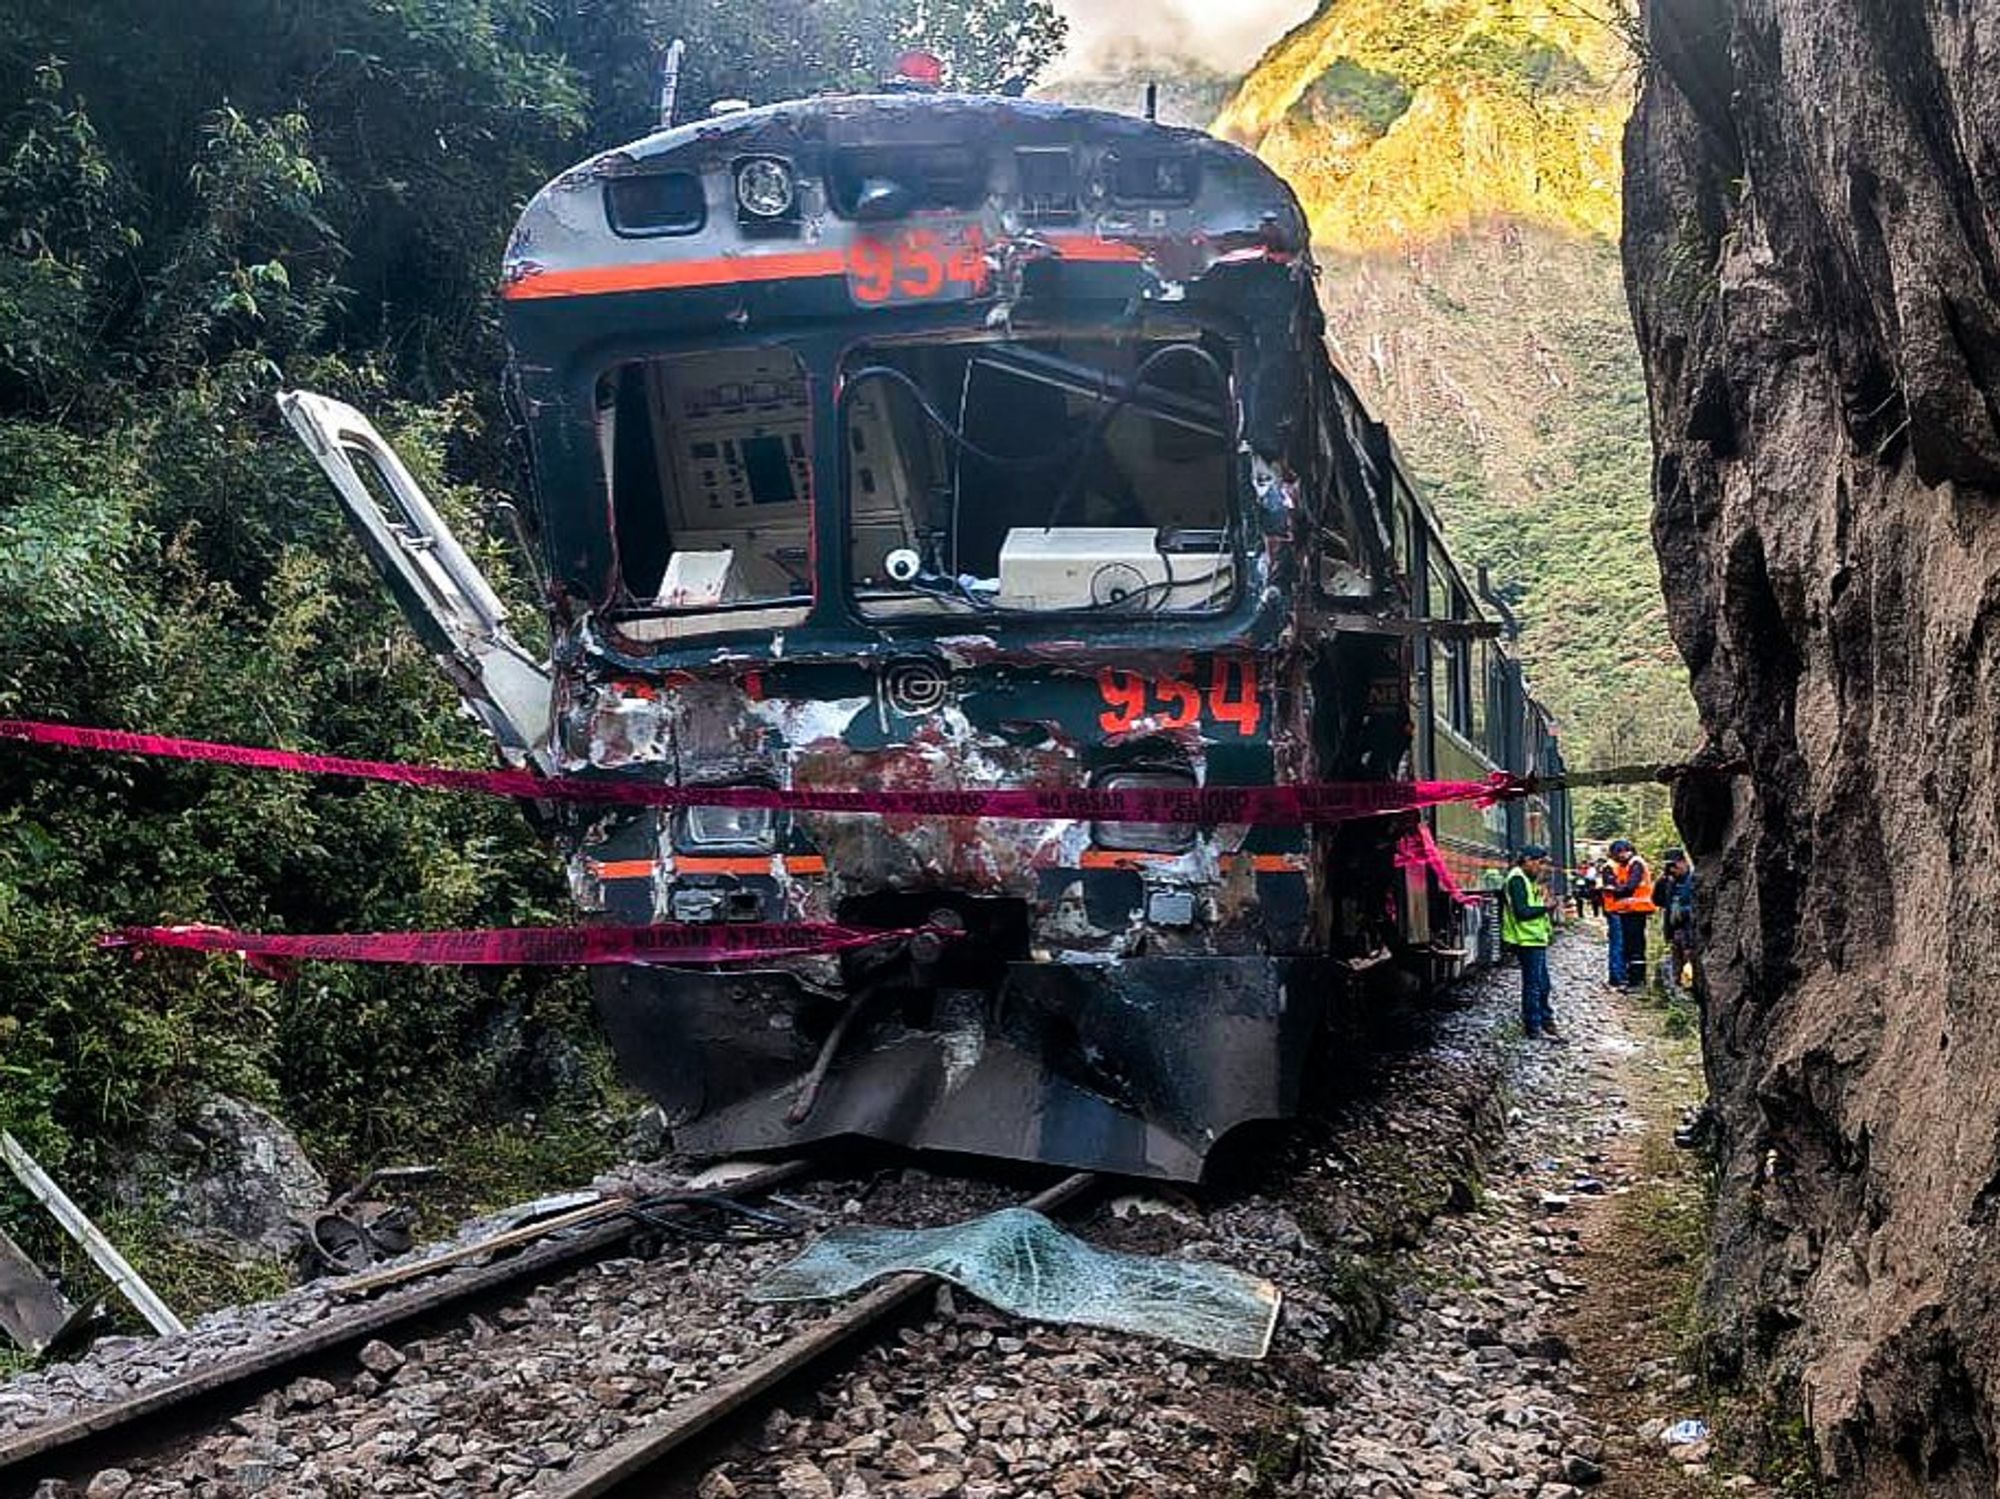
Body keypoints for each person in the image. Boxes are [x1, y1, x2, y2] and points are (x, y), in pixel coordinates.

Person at [1502, 844, 1562, 1041]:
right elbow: (1522, 912)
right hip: (1526, 939)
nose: (1542, 867)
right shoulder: (1517, 879)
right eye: (1539, 862)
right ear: (1527, 860)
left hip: (1534, 938)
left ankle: (1545, 1020)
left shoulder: (1528, 879)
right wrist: (1546, 907)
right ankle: (1534, 1026)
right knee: (1534, 985)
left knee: (1542, 984)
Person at [1601, 839, 1655, 988]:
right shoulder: (1627, 865)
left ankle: (1636, 980)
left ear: (1625, 851)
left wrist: (1615, 890)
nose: (1617, 858)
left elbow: (1630, 886)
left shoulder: (1635, 864)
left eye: (1618, 854)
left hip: (1637, 909)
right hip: (1629, 910)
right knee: (1632, 946)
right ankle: (1632, 979)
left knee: (1635, 946)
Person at [1660, 849, 1696, 992]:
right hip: (1676, 931)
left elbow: (1700, 905)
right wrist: (1662, 881)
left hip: (1690, 931)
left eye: (1673, 866)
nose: (1672, 870)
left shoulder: (1694, 879)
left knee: (1691, 965)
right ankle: (1678, 991)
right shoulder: (1671, 883)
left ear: (1683, 862)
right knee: (1677, 965)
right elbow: (1657, 900)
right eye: (1668, 867)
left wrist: (1683, 911)